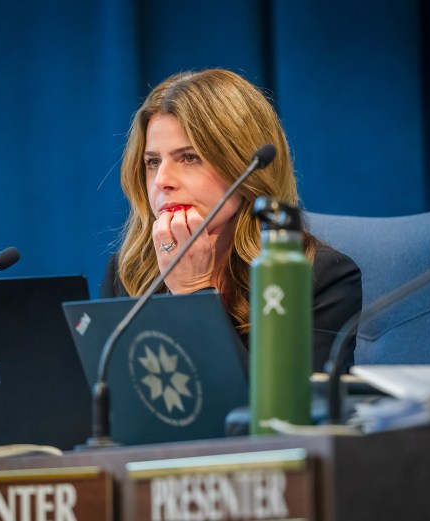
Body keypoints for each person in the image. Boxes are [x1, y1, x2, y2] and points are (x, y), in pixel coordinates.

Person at [100, 68, 362, 371]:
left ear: (243, 166)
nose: (162, 180)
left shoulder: (319, 276)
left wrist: (194, 293)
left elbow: (279, 413)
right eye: (153, 162)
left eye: (189, 158)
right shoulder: (129, 271)